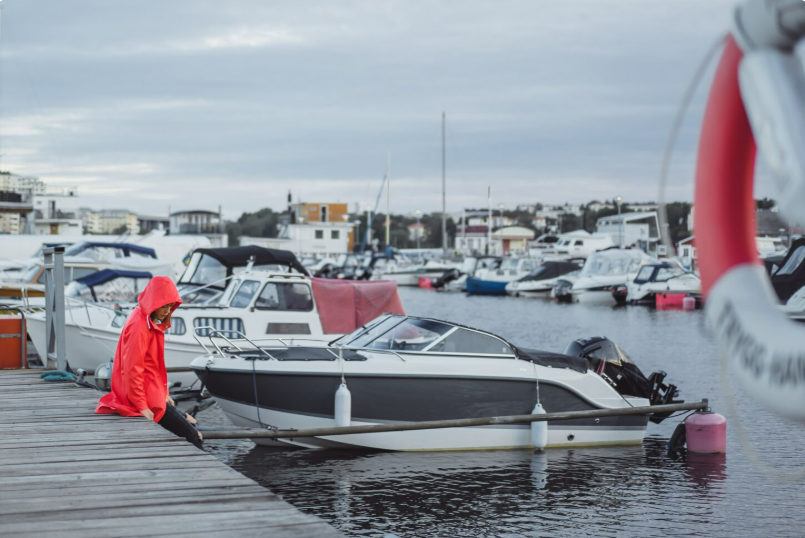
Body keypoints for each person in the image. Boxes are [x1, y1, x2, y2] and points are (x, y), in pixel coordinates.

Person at [96, 276, 203, 448]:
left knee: (192, 423)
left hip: (153, 393)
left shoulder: (148, 319)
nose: (167, 311)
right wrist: (142, 406)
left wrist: (164, 392)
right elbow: (132, 370)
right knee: (193, 436)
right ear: (154, 301)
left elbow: (153, 366)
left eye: (170, 306)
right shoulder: (140, 325)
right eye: (164, 305)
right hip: (145, 398)